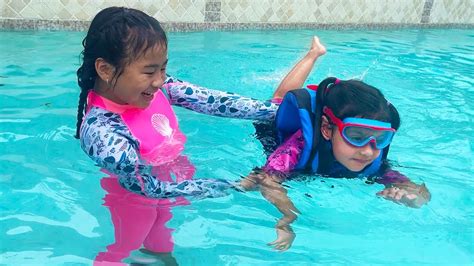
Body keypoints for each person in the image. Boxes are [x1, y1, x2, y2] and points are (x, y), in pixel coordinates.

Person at [75, 7, 284, 264]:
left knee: (161, 237)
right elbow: (150, 190)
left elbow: (215, 101)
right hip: (134, 197)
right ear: (105, 70)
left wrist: (275, 111)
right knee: (126, 244)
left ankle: (159, 257)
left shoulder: (156, 89)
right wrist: (232, 186)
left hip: (167, 178)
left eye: (163, 69)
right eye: (149, 72)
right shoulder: (105, 135)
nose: (159, 80)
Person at [241, 36, 431, 251]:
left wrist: (411, 197)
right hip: (279, 131)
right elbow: (269, 181)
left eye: (379, 139)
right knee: (279, 98)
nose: (368, 151)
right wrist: (287, 217)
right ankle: (314, 53)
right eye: (356, 137)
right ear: (326, 129)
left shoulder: (374, 161)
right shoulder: (297, 148)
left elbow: (420, 191)